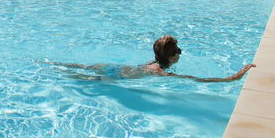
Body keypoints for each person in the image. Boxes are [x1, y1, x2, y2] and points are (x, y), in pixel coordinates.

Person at [49, 35, 255, 82]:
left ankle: (50, 64)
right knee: (75, 77)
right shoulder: (160, 71)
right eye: (179, 51)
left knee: (78, 67)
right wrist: (233, 77)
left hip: (113, 67)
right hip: (115, 77)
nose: (180, 54)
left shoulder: (153, 62)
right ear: (172, 57)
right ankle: (53, 69)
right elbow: (197, 80)